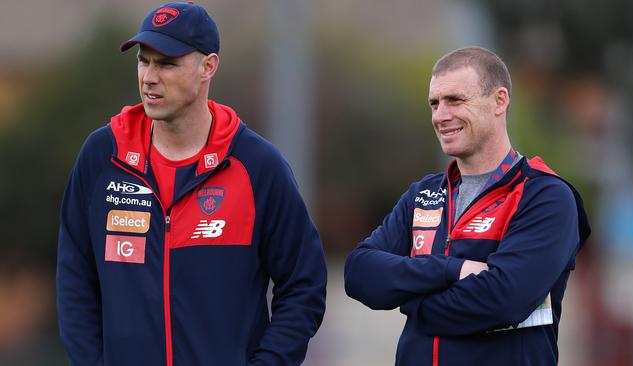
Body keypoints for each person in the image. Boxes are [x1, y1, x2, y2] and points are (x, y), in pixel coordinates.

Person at [56, 2, 327, 365]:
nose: (149, 77)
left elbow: (304, 285)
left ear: (208, 67)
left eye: (166, 63)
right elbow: (75, 277)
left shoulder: (257, 166)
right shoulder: (103, 156)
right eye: (143, 60)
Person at [344, 47, 591, 365]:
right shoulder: (423, 194)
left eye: (455, 100)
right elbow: (360, 273)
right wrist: (451, 269)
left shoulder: (546, 196)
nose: (440, 116)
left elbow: (503, 300)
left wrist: (412, 302)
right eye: (435, 103)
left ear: (499, 101)